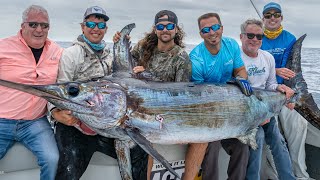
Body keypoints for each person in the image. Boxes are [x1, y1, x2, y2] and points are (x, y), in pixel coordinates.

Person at [51, 6, 148, 180]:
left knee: (141, 151)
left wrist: (135, 75)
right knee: (69, 166)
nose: (96, 29)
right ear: (83, 27)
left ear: (106, 30)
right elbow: (60, 91)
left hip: (107, 124)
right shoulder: (71, 54)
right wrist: (55, 113)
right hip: (76, 124)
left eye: (101, 25)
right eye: (91, 24)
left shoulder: (110, 57)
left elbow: (122, 85)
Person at [114, 9, 192, 179]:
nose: (165, 29)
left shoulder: (181, 57)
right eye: (161, 26)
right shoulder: (142, 48)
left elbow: (180, 95)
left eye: (169, 26)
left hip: (163, 114)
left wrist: (149, 75)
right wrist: (122, 42)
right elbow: (124, 69)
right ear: (155, 29)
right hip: (135, 110)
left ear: (176, 29)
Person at [183, 12, 252, 180]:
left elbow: (240, 70)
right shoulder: (196, 58)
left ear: (221, 28)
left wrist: (242, 79)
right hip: (208, 116)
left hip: (231, 112)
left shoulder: (231, 45)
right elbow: (198, 97)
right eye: (206, 30)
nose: (212, 33)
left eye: (215, 27)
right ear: (201, 34)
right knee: (210, 147)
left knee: (242, 146)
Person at [0, 5, 62, 180]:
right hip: (2, 121)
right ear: (23, 26)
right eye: (33, 24)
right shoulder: (3, 47)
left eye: (44, 25)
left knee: (52, 159)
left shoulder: (57, 51)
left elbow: (77, 71)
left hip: (35, 123)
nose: (39, 30)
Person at [239, 18, 295, 180]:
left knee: (278, 141)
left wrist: (279, 88)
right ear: (241, 36)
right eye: (250, 35)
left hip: (265, 110)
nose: (255, 40)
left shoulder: (268, 57)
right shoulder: (236, 58)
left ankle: (288, 177)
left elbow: (270, 84)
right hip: (245, 113)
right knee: (259, 138)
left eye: (259, 36)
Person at [261, 2, 310, 179]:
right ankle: (276, 175)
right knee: (271, 132)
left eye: (276, 14)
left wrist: (291, 96)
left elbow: (291, 70)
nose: (272, 18)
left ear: (281, 18)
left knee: (299, 125)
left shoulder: (290, 38)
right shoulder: (257, 38)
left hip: (287, 93)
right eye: (268, 15)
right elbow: (254, 69)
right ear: (263, 19)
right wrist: (274, 71)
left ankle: (300, 173)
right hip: (266, 95)